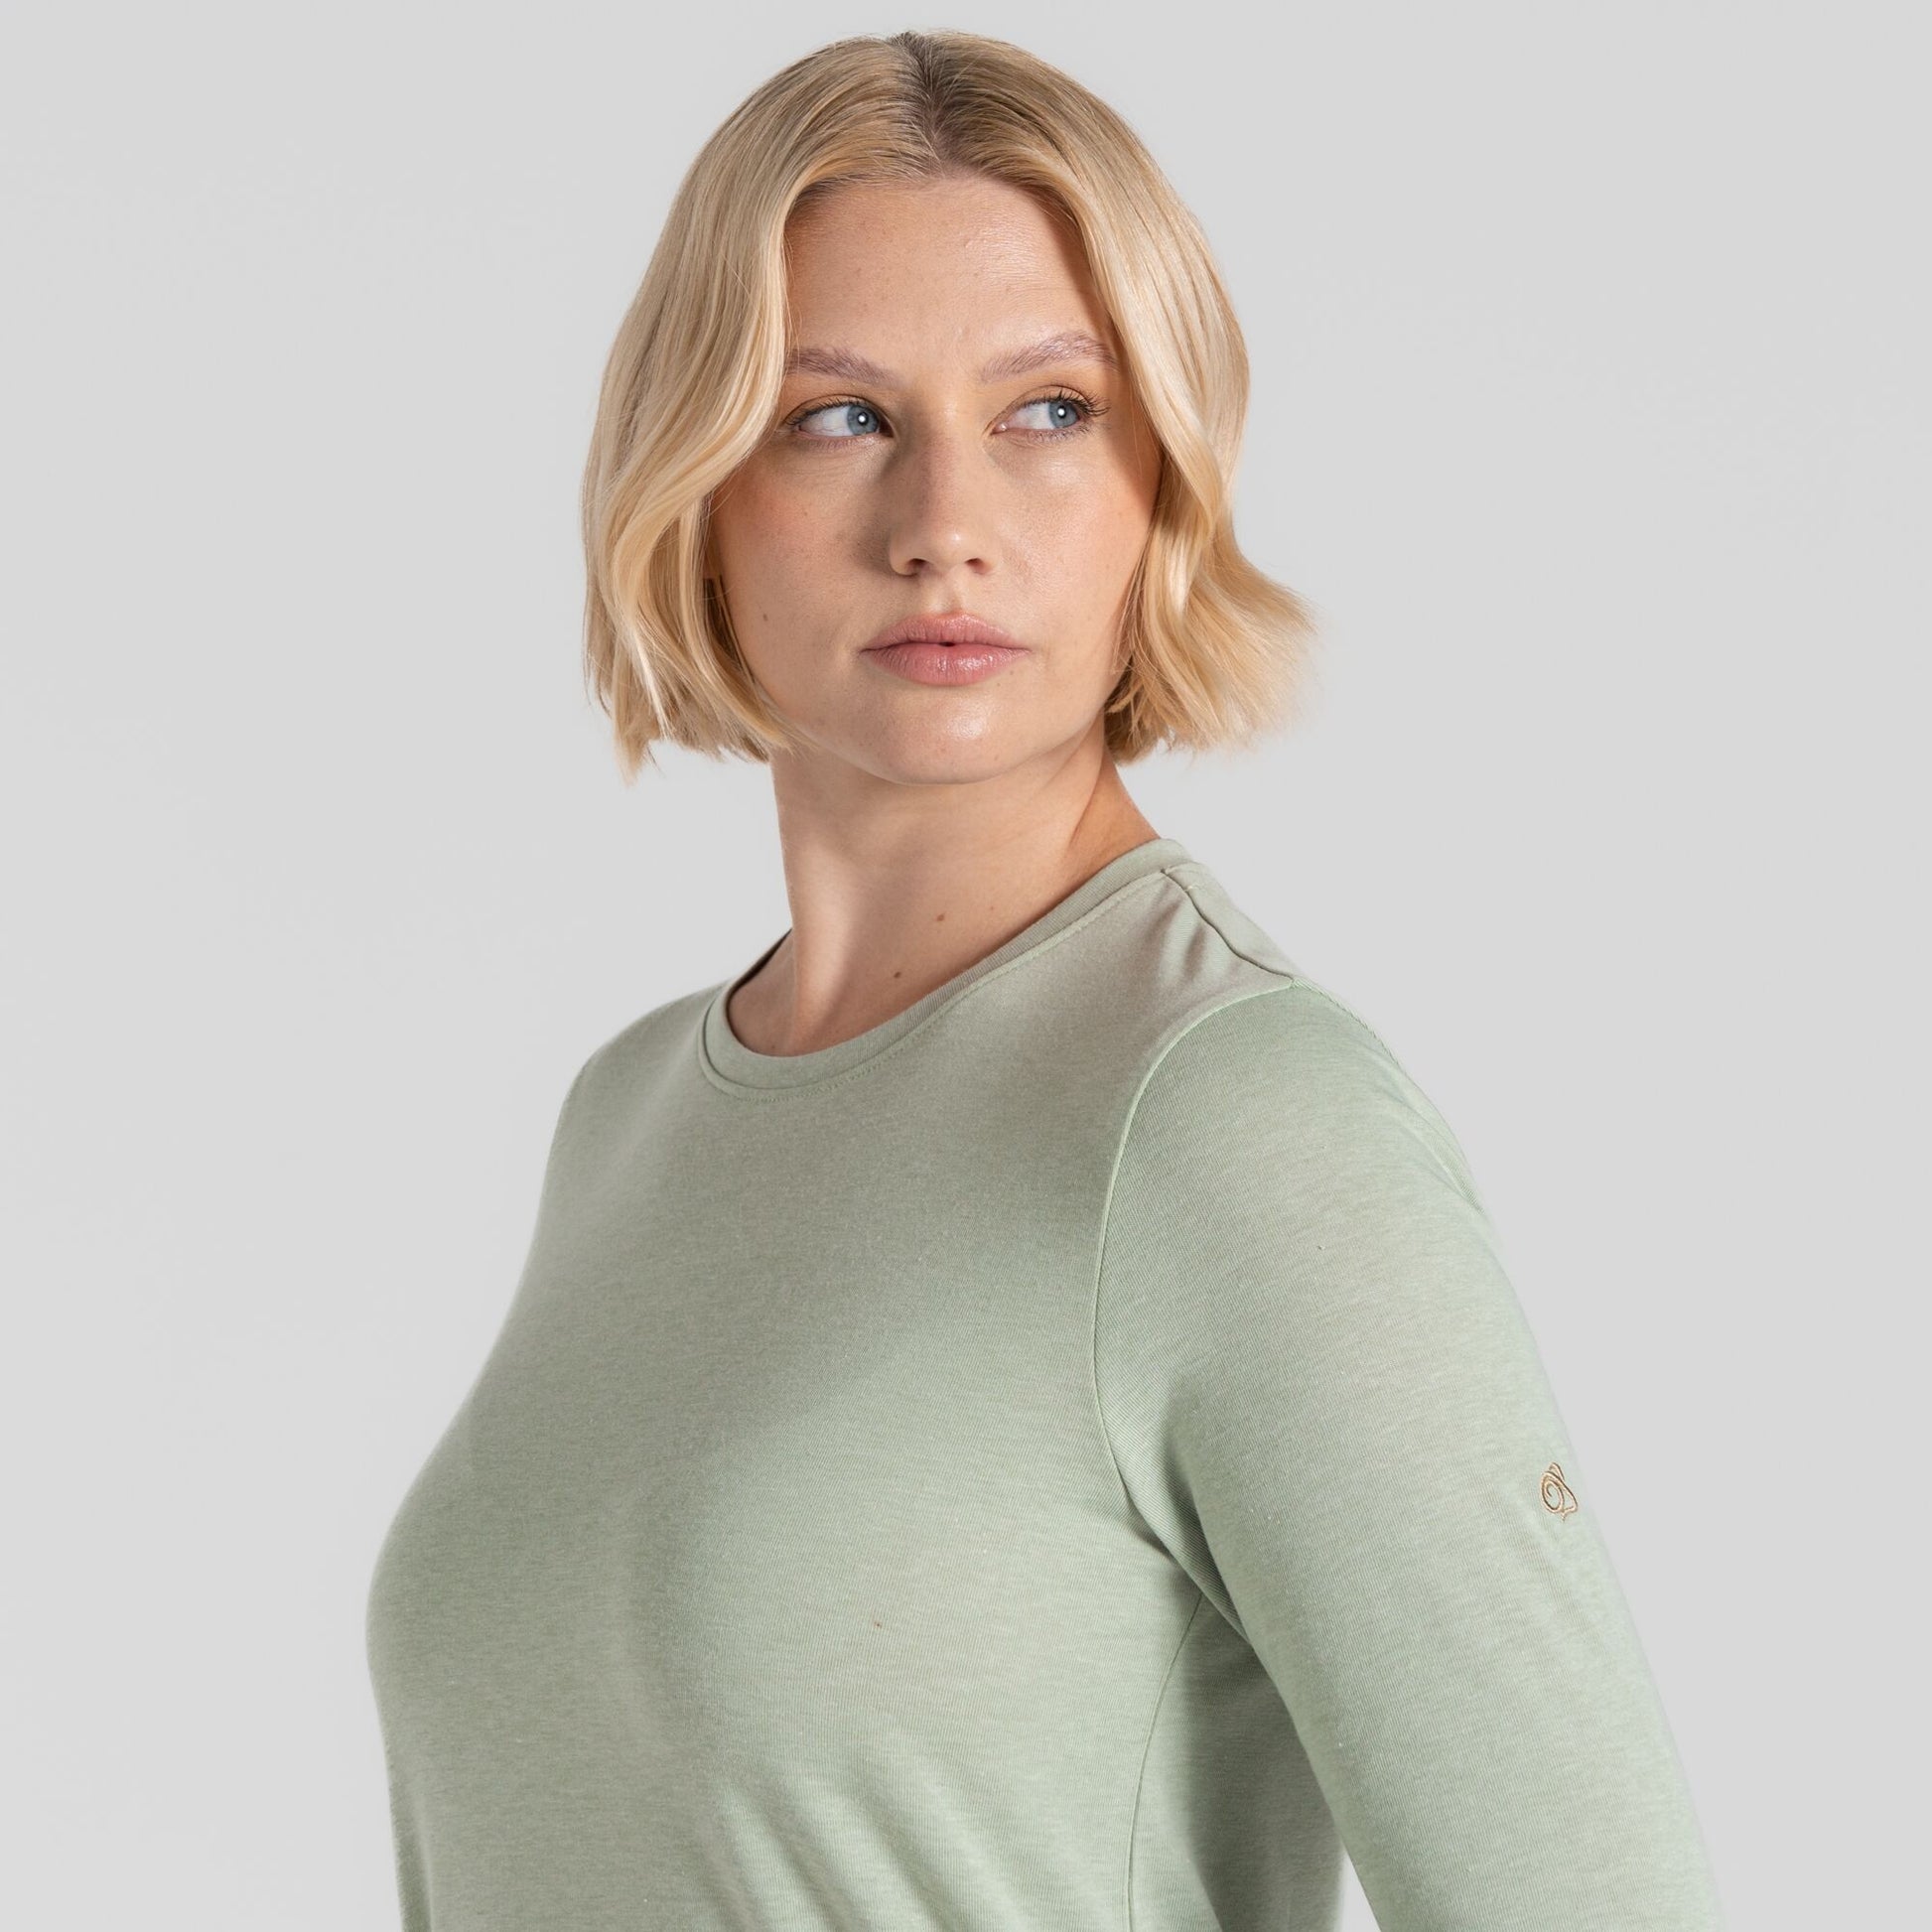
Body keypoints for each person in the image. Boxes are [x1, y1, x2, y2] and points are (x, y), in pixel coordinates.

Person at [363, 28, 1726, 1931]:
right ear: (695, 481)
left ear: (1161, 480)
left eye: (1050, 409)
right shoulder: (630, 1115)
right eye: (837, 414)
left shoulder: (1234, 1116)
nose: (944, 521)